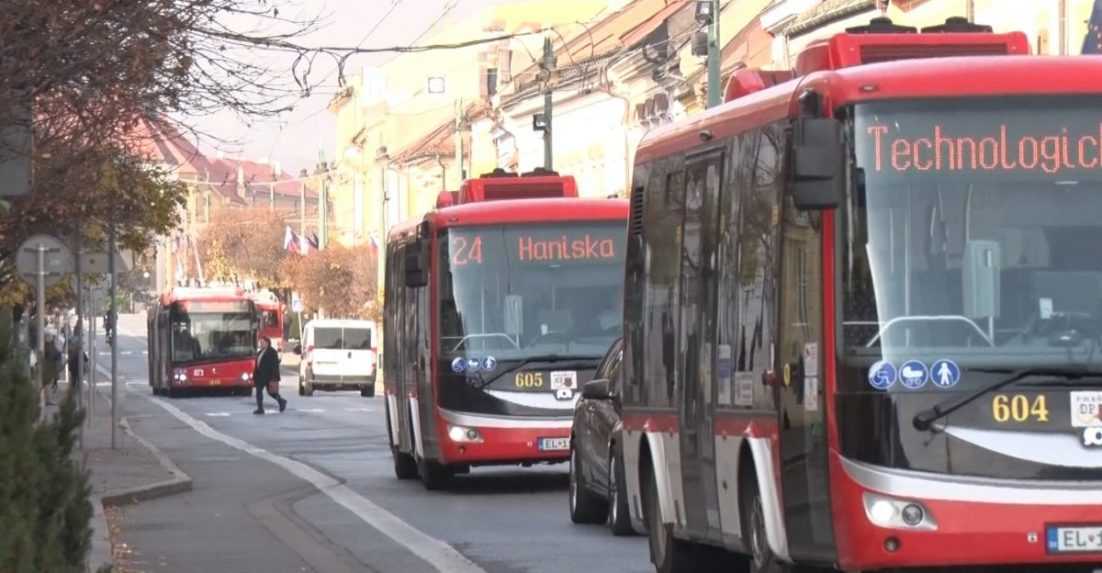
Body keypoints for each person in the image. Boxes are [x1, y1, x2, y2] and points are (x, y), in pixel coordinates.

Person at [252, 336, 286, 414]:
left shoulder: (272, 352)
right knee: (258, 392)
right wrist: (255, 375)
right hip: (260, 376)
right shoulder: (260, 352)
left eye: (262, 342)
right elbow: (257, 364)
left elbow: (275, 365)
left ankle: (281, 401)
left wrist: (274, 377)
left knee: (271, 392)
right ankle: (260, 408)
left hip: (269, 376)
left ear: (267, 343)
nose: (261, 344)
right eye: (260, 342)